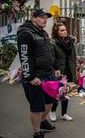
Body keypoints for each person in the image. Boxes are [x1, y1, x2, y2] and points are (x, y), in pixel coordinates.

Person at [17, 9, 57, 138]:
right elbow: (24, 56)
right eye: (41, 17)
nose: (45, 19)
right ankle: (37, 132)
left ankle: (42, 121)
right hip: (35, 76)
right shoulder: (26, 34)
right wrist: (30, 77)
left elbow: (48, 52)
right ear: (33, 18)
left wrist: (55, 67)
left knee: (51, 100)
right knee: (37, 106)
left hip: (48, 73)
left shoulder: (43, 32)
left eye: (46, 17)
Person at [49, 23, 77, 122]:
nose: (65, 31)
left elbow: (73, 57)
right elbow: (52, 58)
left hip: (69, 69)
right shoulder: (53, 43)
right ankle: (52, 111)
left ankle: (64, 113)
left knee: (66, 92)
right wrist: (56, 69)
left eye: (65, 29)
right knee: (58, 93)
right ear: (56, 32)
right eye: (62, 30)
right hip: (59, 71)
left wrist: (76, 68)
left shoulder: (70, 42)